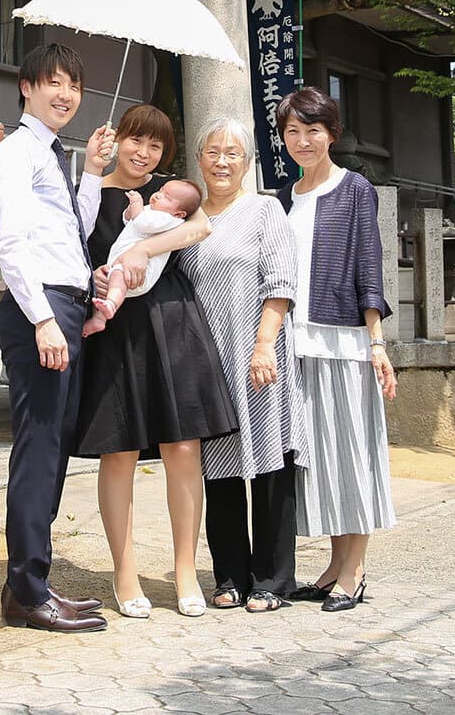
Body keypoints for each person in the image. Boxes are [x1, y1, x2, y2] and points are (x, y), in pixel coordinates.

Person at [72, 105, 236, 621]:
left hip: (172, 322)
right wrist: (96, 276)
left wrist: (144, 250)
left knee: (183, 446)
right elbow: (70, 250)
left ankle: (185, 570)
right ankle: (125, 572)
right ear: (117, 138)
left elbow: (200, 228)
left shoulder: (170, 191)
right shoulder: (89, 191)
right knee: (118, 450)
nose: (144, 153)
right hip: (115, 327)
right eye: (136, 141)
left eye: (156, 146)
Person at [0, 41, 116, 633]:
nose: (66, 95)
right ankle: (25, 591)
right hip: (38, 309)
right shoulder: (16, 152)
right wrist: (43, 318)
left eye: (74, 86)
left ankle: (32, 584)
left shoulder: (53, 155)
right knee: (38, 448)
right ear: (27, 86)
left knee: (55, 448)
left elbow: (73, 232)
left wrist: (91, 173)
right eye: (54, 82)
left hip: (65, 307)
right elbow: (12, 244)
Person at [176, 117, 308, 613]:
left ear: (247, 162)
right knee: (220, 469)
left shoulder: (265, 210)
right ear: (199, 159)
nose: (222, 162)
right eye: (213, 152)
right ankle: (230, 575)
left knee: (271, 465)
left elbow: (281, 281)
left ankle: (273, 580)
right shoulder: (187, 219)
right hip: (208, 362)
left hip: (258, 355)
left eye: (233, 153)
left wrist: (264, 343)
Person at [274, 87, 398, 612]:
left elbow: (370, 265)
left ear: (332, 134)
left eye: (313, 131)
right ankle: (332, 566)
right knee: (322, 460)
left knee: (352, 453)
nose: (302, 141)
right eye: (292, 132)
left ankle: (355, 571)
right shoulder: (282, 197)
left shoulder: (355, 189)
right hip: (294, 343)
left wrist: (376, 342)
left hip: (344, 342)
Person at [82, 178, 204, 337]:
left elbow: (142, 223)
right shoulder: (152, 211)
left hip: (137, 274)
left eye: (167, 198)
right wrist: (129, 212)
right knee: (105, 288)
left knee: (117, 279)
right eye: (161, 190)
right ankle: (99, 319)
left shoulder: (169, 219)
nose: (158, 195)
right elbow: (130, 221)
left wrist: (137, 204)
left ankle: (111, 304)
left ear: (179, 213)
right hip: (120, 266)